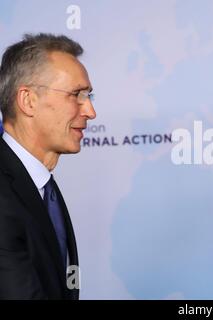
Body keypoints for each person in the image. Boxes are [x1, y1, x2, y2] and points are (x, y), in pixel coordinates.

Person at [0, 33, 96, 299]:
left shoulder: (41, 186)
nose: (90, 111)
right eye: (76, 95)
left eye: (89, 96)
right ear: (28, 100)